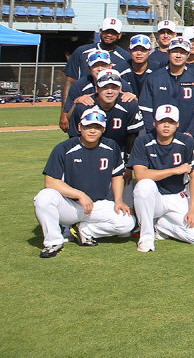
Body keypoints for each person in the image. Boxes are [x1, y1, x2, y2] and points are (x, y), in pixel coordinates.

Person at [35, 108, 135, 256]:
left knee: (127, 223)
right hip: (70, 205)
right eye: (88, 127)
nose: (92, 131)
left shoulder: (111, 146)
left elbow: (117, 175)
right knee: (44, 197)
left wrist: (119, 200)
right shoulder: (64, 148)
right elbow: (50, 182)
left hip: (97, 205)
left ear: (103, 129)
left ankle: (84, 230)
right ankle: (53, 242)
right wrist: (79, 194)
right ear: (79, 127)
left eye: (97, 127)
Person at [129, 104, 194, 251]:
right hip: (154, 199)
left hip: (178, 196)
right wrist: (174, 171)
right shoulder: (143, 141)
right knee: (144, 186)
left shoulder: (187, 142)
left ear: (177, 124)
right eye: (162, 121)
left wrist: (193, 209)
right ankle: (146, 237)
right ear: (154, 123)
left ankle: (161, 226)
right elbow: (140, 175)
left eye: (171, 122)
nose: (166, 125)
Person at [60, 17, 130, 130]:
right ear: (100, 32)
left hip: (112, 110)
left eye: (113, 33)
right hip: (84, 105)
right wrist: (64, 113)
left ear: (119, 35)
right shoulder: (81, 52)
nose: (109, 35)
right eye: (106, 31)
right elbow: (69, 81)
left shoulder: (126, 57)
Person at [138, 37, 194, 139]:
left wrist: (190, 133)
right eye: (175, 51)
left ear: (188, 54)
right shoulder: (154, 77)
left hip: (189, 138)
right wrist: (154, 133)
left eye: (182, 52)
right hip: (158, 139)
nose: (178, 55)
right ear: (168, 53)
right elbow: (146, 110)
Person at [65, 69, 142, 156]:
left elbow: (133, 135)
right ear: (96, 88)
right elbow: (74, 137)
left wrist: (128, 161)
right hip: (88, 154)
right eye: (105, 87)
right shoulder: (83, 107)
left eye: (114, 87)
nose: (110, 92)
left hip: (118, 153)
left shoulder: (130, 105)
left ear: (120, 88)